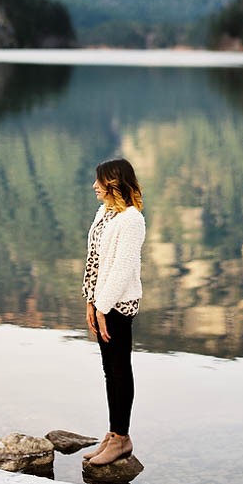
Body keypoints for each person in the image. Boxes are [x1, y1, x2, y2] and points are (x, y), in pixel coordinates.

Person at [81, 157, 145, 465]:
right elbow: (94, 259)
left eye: (99, 181)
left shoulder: (132, 220)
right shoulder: (105, 213)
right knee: (110, 371)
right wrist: (90, 301)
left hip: (118, 305)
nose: (94, 186)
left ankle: (122, 438)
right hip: (102, 303)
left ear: (113, 184)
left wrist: (103, 307)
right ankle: (113, 433)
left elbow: (122, 269)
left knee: (120, 369)